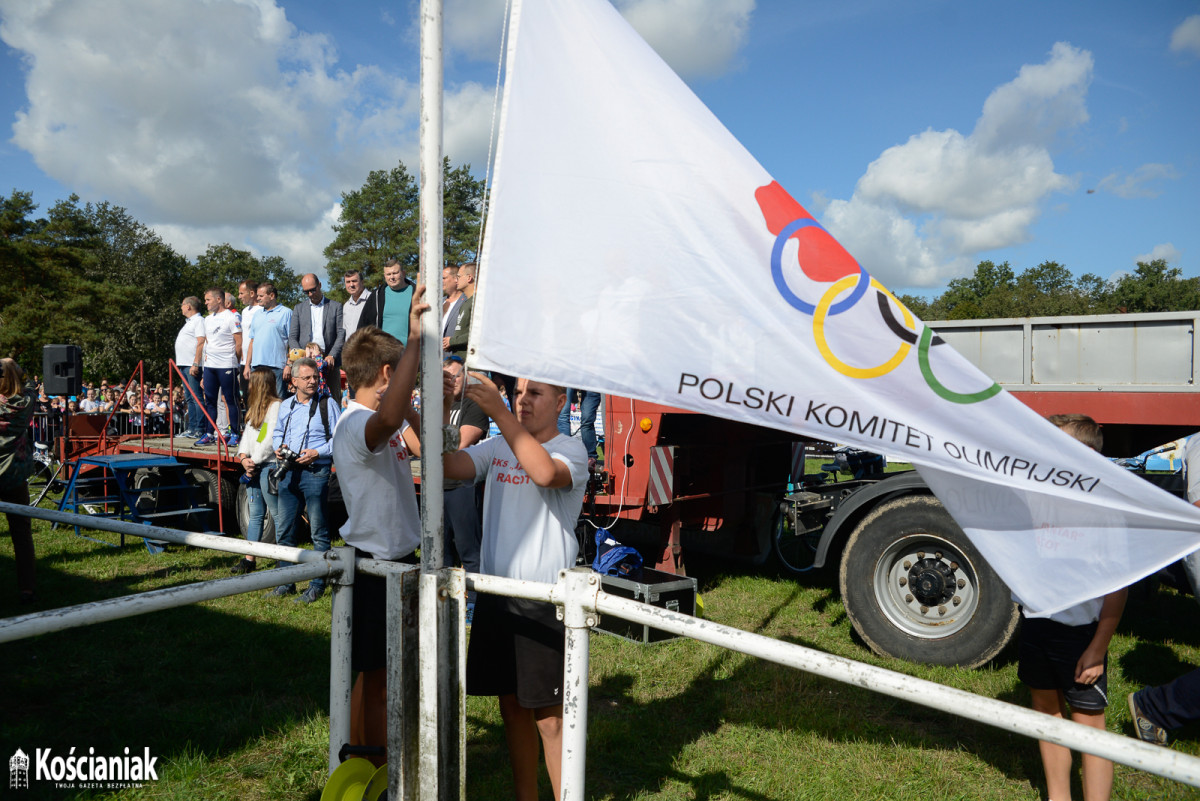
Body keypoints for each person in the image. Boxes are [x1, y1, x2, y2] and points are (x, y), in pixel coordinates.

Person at [443, 377, 588, 801]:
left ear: (561, 402)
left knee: (550, 719)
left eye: (535, 393)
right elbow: (448, 466)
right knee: (510, 706)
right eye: (518, 393)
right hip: (495, 594)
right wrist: (439, 408)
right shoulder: (498, 445)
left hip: (543, 600)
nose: (523, 401)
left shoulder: (571, 449)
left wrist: (499, 412)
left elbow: (544, 473)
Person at [331, 289, 430, 759]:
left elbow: (426, 445)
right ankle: (377, 763)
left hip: (396, 559)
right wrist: (414, 340)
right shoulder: (355, 423)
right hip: (375, 564)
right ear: (388, 374)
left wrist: (408, 405)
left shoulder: (380, 419)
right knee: (379, 678)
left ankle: (360, 753)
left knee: (378, 674)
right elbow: (389, 418)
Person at [1019, 413, 1126, 801]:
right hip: (1036, 622)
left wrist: (1098, 648)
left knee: (1088, 725)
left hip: (1081, 635)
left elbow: (1118, 588)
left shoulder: (1106, 510)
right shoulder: (1038, 496)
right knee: (1046, 712)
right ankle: (1058, 796)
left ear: (1086, 454)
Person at [268, 356, 341, 603]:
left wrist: (317, 452)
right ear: (294, 380)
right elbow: (277, 432)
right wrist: (279, 447)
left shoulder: (327, 404)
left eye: (315, 377)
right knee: (285, 530)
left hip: (315, 472)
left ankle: (317, 585)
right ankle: (285, 583)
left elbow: (339, 438)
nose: (312, 382)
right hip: (289, 471)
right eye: (307, 378)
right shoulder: (286, 405)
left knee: (318, 531)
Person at [442, 354, 490, 614]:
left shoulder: (474, 405)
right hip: (437, 486)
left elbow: (459, 443)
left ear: (466, 377)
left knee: (468, 550)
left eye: (454, 376)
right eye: (445, 377)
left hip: (462, 486)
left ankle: (475, 605)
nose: (449, 381)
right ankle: (445, 602)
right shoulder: (436, 404)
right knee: (441, 551)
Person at [232, 368, 283, 575]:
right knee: (255, 515)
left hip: (268, 467)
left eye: (252, 382)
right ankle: (249, 559)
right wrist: (243, 456)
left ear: (261, 384)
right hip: (254, 466)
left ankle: (283, 557)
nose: (248, 386)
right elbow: (250, 435)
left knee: (277, 514)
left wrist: (254, 460)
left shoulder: (276, 406)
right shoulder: (255, 407)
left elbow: (269, 437)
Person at [0, 359, 37, 603]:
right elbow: (31, 385)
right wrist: (20, 373)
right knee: (21, 533)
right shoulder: (25, 404)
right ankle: (27, 588)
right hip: (15, 476)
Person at [197, 287, 243, 447]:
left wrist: (235, 363)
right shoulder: (207, 319)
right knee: (210, 400)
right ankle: (209, 433)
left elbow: (239, 343)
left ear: (219, 299)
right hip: (210, 366)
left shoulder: (232, 317)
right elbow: (207, 343)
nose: (206, 303)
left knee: (230, 399)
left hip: (227, 364)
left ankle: (235, 433)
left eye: (208, 300)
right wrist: (204, 369)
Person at [288, 273, 344, 403]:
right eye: (306, 292)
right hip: (306, 361)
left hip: (329, 362)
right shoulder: (298, 308)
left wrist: (332, 355)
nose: (310, 294)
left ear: (320, 285)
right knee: (306, 401)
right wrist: (301, 355)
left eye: (313, 290)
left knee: (333, 401)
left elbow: (341, 334)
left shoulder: (336, 307)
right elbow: (292, 337)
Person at [245, 282, 293, 397]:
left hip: (277, 367)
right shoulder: (257, 314)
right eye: (257, 295)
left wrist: (289, 365)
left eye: (261, 296)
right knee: (257, 401)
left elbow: (292, 342)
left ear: (271, 296)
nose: (258, 298)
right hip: (256, 367)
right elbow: (252, 341)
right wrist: (247, 365)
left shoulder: (286, 313)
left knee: (277, 401)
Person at [359, 259, 414, 345]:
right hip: (384, 351)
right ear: (385, 276)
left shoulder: (417, 293)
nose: (392, 277)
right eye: (388, 274)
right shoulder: (377, 295)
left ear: (403, 273)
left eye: (395, 273)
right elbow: (363, 325)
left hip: (412, 350)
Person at [557, 389, 601, 470]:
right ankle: (564, 455)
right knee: (563, 416)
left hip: (591, 383)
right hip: (569, 381)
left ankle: (590, 457)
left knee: (587, 420)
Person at [446, 262, 475, 357]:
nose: (456, 280)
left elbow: (478, 334)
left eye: (458, 276)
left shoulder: (477, 302)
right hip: (458, 359)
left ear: (469, 278)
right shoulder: (466, 302)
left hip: (469, 361)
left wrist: (452, 341)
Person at [341, 269, 372, 340]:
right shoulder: (346, 306)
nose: (351, 285)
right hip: (350, 346)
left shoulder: (372, 300)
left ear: (362, 282)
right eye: (348, 282)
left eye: (354, 281)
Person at [441, 264, 465, 350]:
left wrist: (453, 341)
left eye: (444, 278)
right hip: (436, 353)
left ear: (456, 279)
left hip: (456, 354)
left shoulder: (467, 301)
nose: (441, 281)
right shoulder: (438, 302)